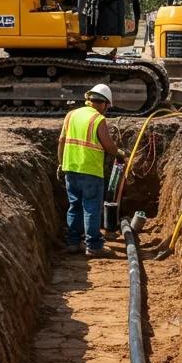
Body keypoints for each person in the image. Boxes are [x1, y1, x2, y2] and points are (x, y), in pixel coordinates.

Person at [57, 84, 128, 258]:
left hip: (70, 169)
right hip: (90, 172)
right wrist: (121, 154)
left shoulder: (71, 115)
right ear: (103, 103)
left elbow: (61, 141)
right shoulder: (98, 119)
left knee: (74, 206)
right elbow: (109, 146)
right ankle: (94, 245)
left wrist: (61, 163)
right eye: (107, 106)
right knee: (91, 208)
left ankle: (73, 243)